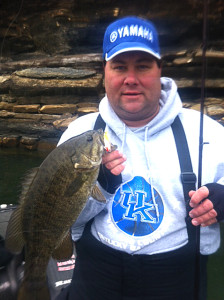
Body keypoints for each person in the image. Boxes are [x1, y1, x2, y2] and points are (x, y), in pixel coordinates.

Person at [56, 16, 224, 300]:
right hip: (96, 276)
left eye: (143, 66)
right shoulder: (79, 133)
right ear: (105, 72)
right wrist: (100, 187)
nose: (130, 79)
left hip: (178, 280)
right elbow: (62, 219)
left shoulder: (208, 131)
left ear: (160, 71)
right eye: (119, 67)